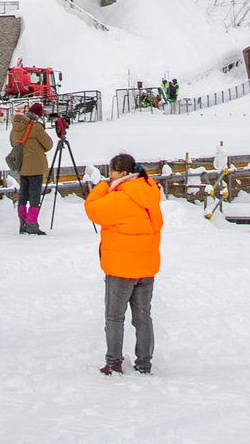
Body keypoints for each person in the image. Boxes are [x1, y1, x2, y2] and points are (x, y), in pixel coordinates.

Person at [83, 152, 164, 376]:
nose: (110, 176)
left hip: (120, 268)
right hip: (146, 266)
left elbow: (92, 209)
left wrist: (102, 186)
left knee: (114, 317)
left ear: (123, 174)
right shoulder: (149, 194)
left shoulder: (120, 197)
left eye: (112, 172)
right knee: (143, 317)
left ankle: (114, 361)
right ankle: (144, 362)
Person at [10, 104, 53, 235]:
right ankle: (32, 224)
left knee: (23, 194)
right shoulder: (36, 127)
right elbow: (49, 145)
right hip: (35, 166)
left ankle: (23, 223)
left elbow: (13, 144)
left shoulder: (16, 127)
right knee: (35, 196)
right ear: (38, 114)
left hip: (22, 166)